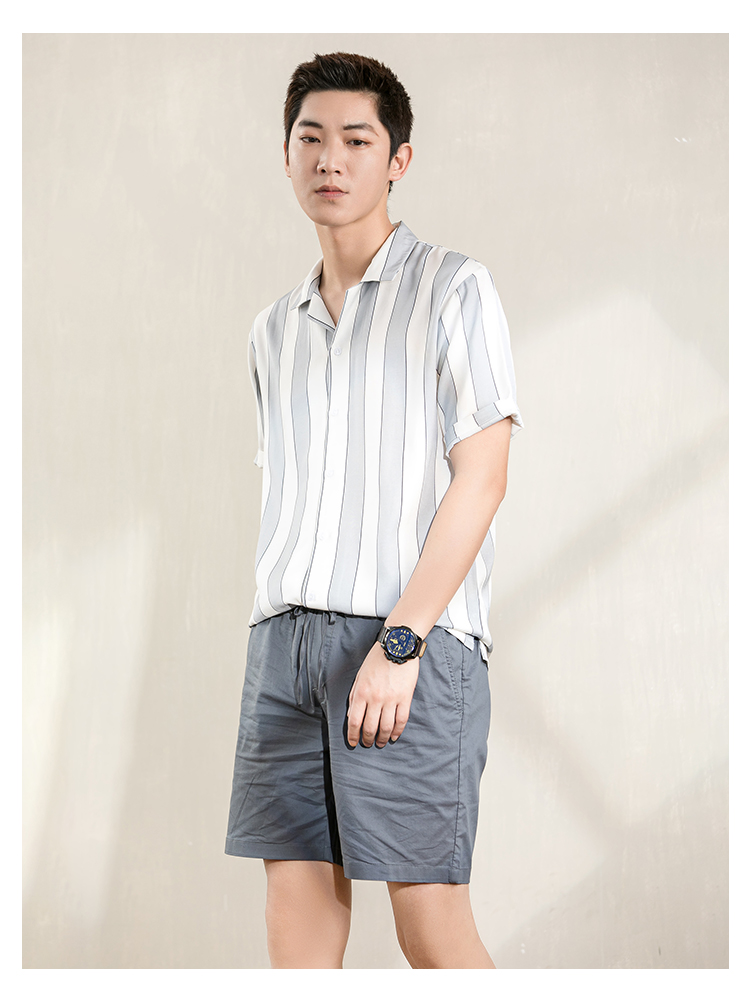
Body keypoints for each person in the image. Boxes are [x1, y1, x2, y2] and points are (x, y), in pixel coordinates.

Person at [225, 51, 523, 969]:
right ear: (286, 154)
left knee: (429, 920)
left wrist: (402, 643)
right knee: (297, 924)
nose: (330, 158)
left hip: (405, 642)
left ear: (398, 160)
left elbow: (482, 477)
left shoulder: (453, 287)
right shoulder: (273, 329)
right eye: (310, 138)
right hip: (284, 646)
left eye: (357, 140)